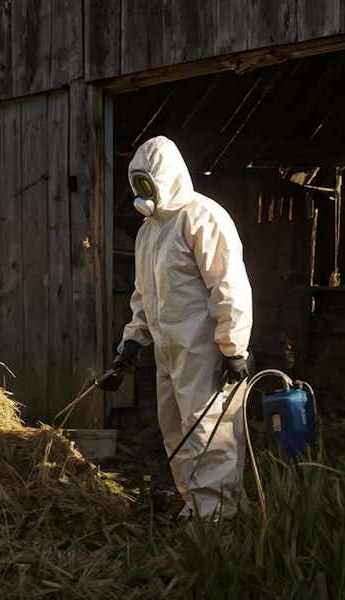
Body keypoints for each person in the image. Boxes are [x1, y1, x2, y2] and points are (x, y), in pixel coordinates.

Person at [112, 136, 253, 523]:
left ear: (167, 178)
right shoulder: (148, 232)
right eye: (137, 184)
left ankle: (219, 520)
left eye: (148, 184)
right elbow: (144, 295)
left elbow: (229, 284)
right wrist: (131, 341)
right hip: (167, 351)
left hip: (205, 350)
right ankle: (196, 504)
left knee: (211, 430)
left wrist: (233, 347)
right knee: (175, 429)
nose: (143, 193)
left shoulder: (202, 218)